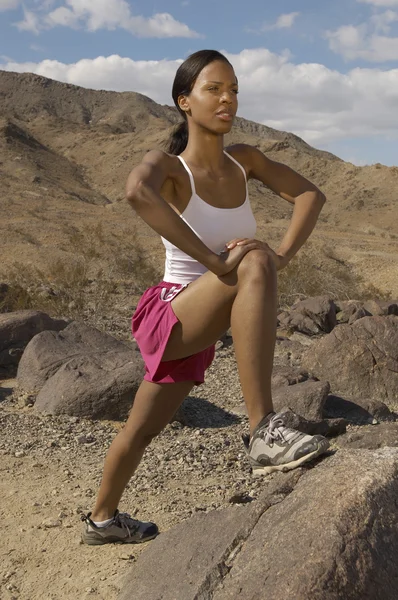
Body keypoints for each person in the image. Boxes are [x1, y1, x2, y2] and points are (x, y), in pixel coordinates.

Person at [81, 49, 330, 545]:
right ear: (184, 102)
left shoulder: (246, 162)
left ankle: (102, 520)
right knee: (251, 259)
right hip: (172, 314)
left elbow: (311, 196)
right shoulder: (169, 166)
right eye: (213, 89)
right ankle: (262, 431)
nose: (228, 99)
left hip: (205, 318)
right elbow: (136, 191)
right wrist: (218, 262)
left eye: (234, 89)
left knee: (142, 427)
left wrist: (282, 255)